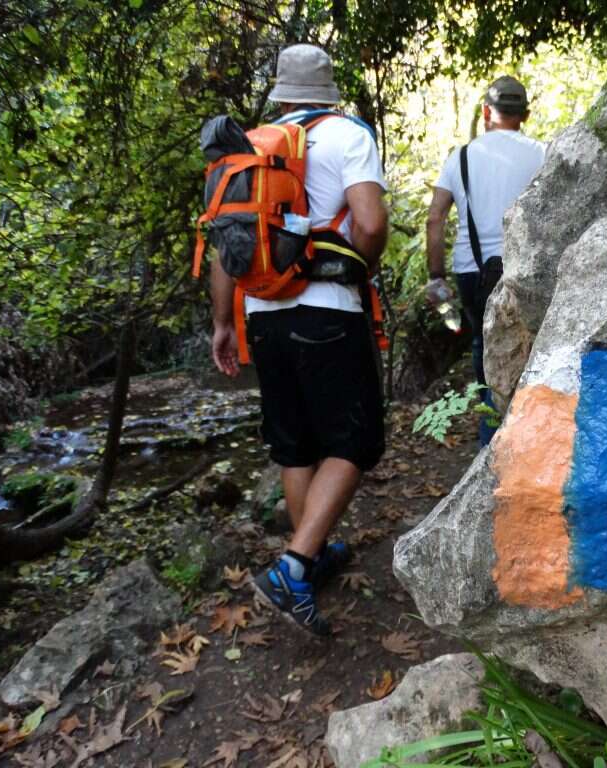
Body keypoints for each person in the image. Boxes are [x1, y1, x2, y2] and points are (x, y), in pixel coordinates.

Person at [210, 44, 388, 637]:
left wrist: (224, 325)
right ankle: (293, 566)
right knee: (357, 440)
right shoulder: (347, 136)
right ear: (329, 90)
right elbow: (369, 222)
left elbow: (223, 250)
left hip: (261, 313)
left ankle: (310, 561)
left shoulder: (249, 148)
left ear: (282, 91)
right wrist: (358, 269)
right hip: (326, 309)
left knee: (296, 446)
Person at [425, 76, 546, 445]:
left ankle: (490, 442)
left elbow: (435, 218)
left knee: (483, 347)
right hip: (526, 268)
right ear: (524, 115)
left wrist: (435, 276)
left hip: (472, 270)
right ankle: (529, 438)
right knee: (532, 351)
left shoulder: (459, 157)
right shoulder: (544, 151)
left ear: (486, 112)